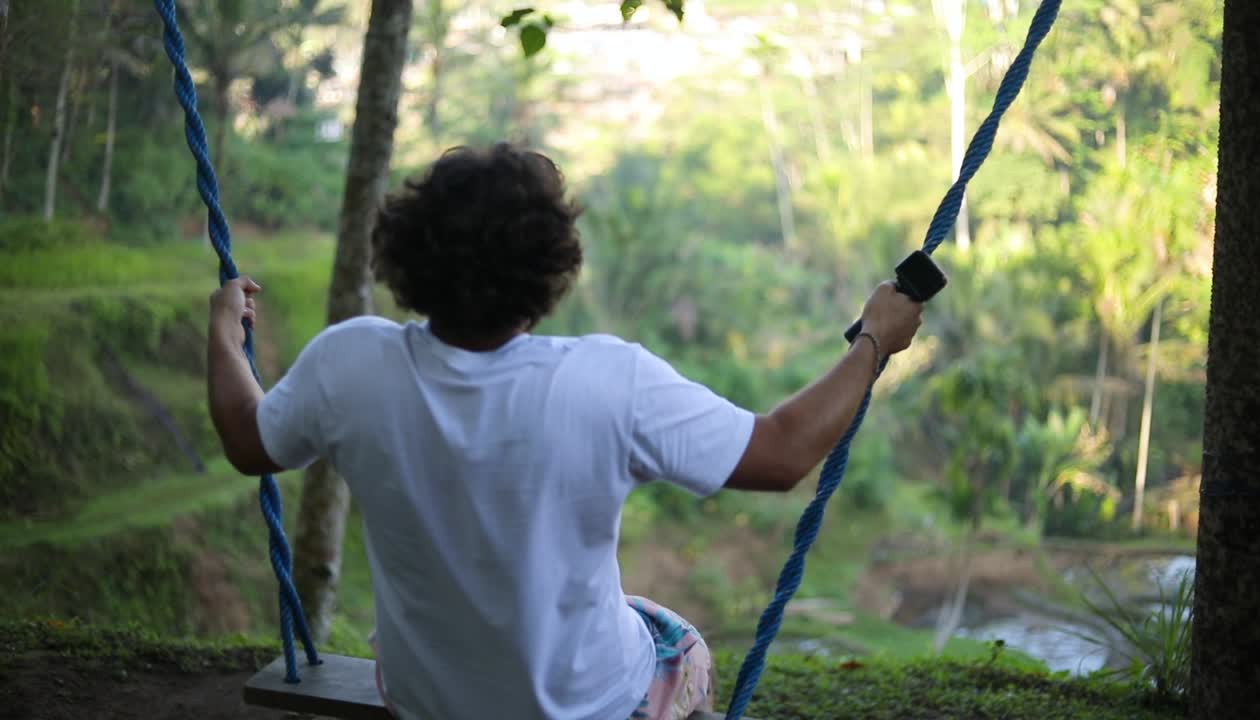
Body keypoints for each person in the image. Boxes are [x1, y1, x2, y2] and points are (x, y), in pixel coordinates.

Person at [207, 143, 923, 720]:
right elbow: (783, 453)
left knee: (628, 614)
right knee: (680, 643)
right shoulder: (606, 381)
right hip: (594, 705)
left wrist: (222, 334)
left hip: (428, 700)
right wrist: (872, 343)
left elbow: (247, 440)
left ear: (407, 253)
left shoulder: (351, 362)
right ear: (550, 269)